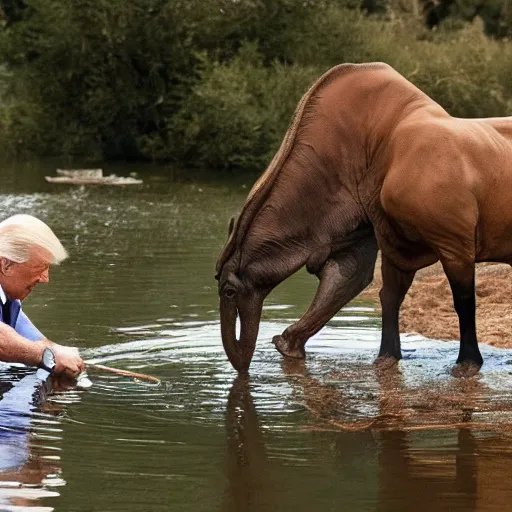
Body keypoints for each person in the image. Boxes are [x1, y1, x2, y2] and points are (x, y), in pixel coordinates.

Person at [0, 214, 84, 378]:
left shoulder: (9, 301)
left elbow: (34, 339)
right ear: (6, 265)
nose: (45, 278)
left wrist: (64, 356)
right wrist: (48, 356)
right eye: (41, 267)